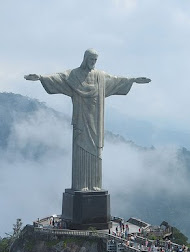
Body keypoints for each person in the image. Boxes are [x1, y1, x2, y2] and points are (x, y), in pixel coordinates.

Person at [24, 49, 151, 191]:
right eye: (91, 59)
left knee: (96, 151)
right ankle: (81, 185)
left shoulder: (100, 77)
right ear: (85, 59)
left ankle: (95, 185)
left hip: (96, 121)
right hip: (81, 120)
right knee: (81, 150)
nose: (93, 63)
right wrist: (41, 77)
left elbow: (116, 80)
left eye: (95, 60)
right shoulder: (74, 75)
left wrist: (133, 80)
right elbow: (58, 77)